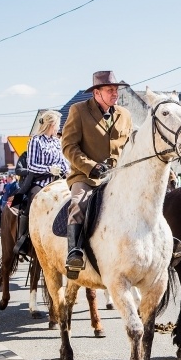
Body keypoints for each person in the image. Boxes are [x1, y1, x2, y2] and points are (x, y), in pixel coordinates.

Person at [61, 70, 133, 278]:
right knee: (79, 203)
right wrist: (90, 165)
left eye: (116, 90)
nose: (115, 93)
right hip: (86, 177)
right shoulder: (78, 110)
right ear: (96, 93)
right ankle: (74, 252)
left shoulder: (125, 115)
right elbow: (68, 146)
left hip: (118, 177)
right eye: (110, 89)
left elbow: (129, 145)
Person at [13, 110, 70, 257]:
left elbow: (64, 162)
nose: (59, 127)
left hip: (58, 181)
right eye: (58, 124)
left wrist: (67, 169)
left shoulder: (58, 142)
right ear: (51, 124)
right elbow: (32, 166)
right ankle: (23, 239)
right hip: (40, 181)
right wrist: (49, 169)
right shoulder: (35, 141)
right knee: (33, 201)